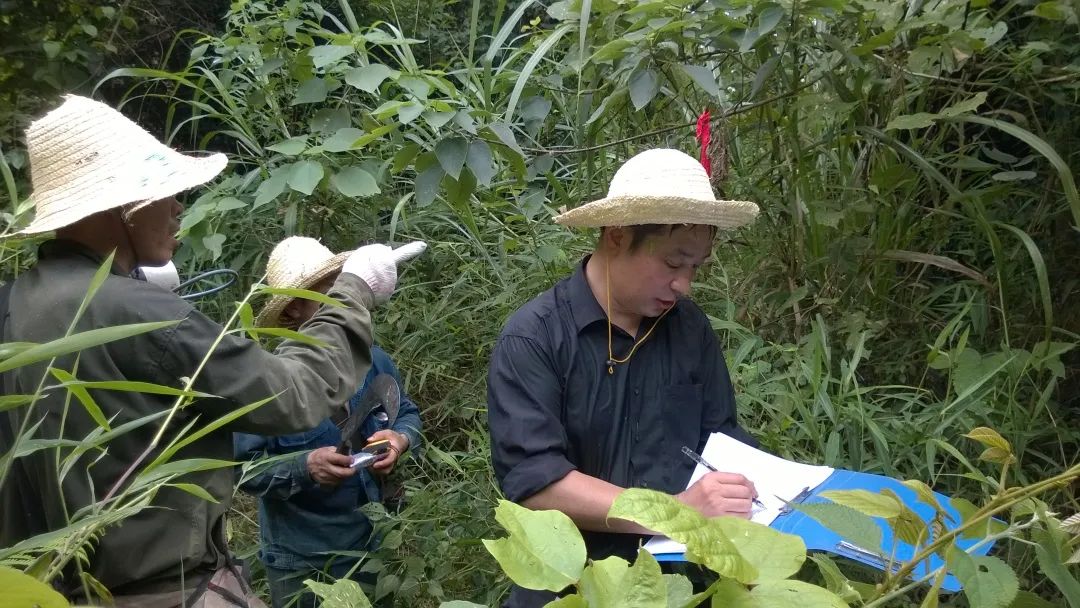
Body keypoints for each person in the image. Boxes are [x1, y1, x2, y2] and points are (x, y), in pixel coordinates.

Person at [0, 95, 425, 606]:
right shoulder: (137, 310)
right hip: (162, 590)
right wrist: (353, 290)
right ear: (122, 204)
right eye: (165, 191)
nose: (178, 207)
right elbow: (294, 395)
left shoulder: (17, 304)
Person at [487, 148, 761, 607]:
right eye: (673, 263)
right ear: (617, 236)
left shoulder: (689, 328)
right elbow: (537, 483)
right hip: (573, 587)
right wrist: (675, 514)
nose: (684, 285)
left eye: (695, 267)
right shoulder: (534, 338)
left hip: (684, 587)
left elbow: (722, 437)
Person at [234, 236, 422, 608]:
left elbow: (407, 413)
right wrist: (304, 467)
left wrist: (400, 439)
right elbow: (242, 470)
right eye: (329, 291)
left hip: (374, 547)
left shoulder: (374, 361)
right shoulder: (265, 382)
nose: (344, 297)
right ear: (292, 310)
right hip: (303, 563)